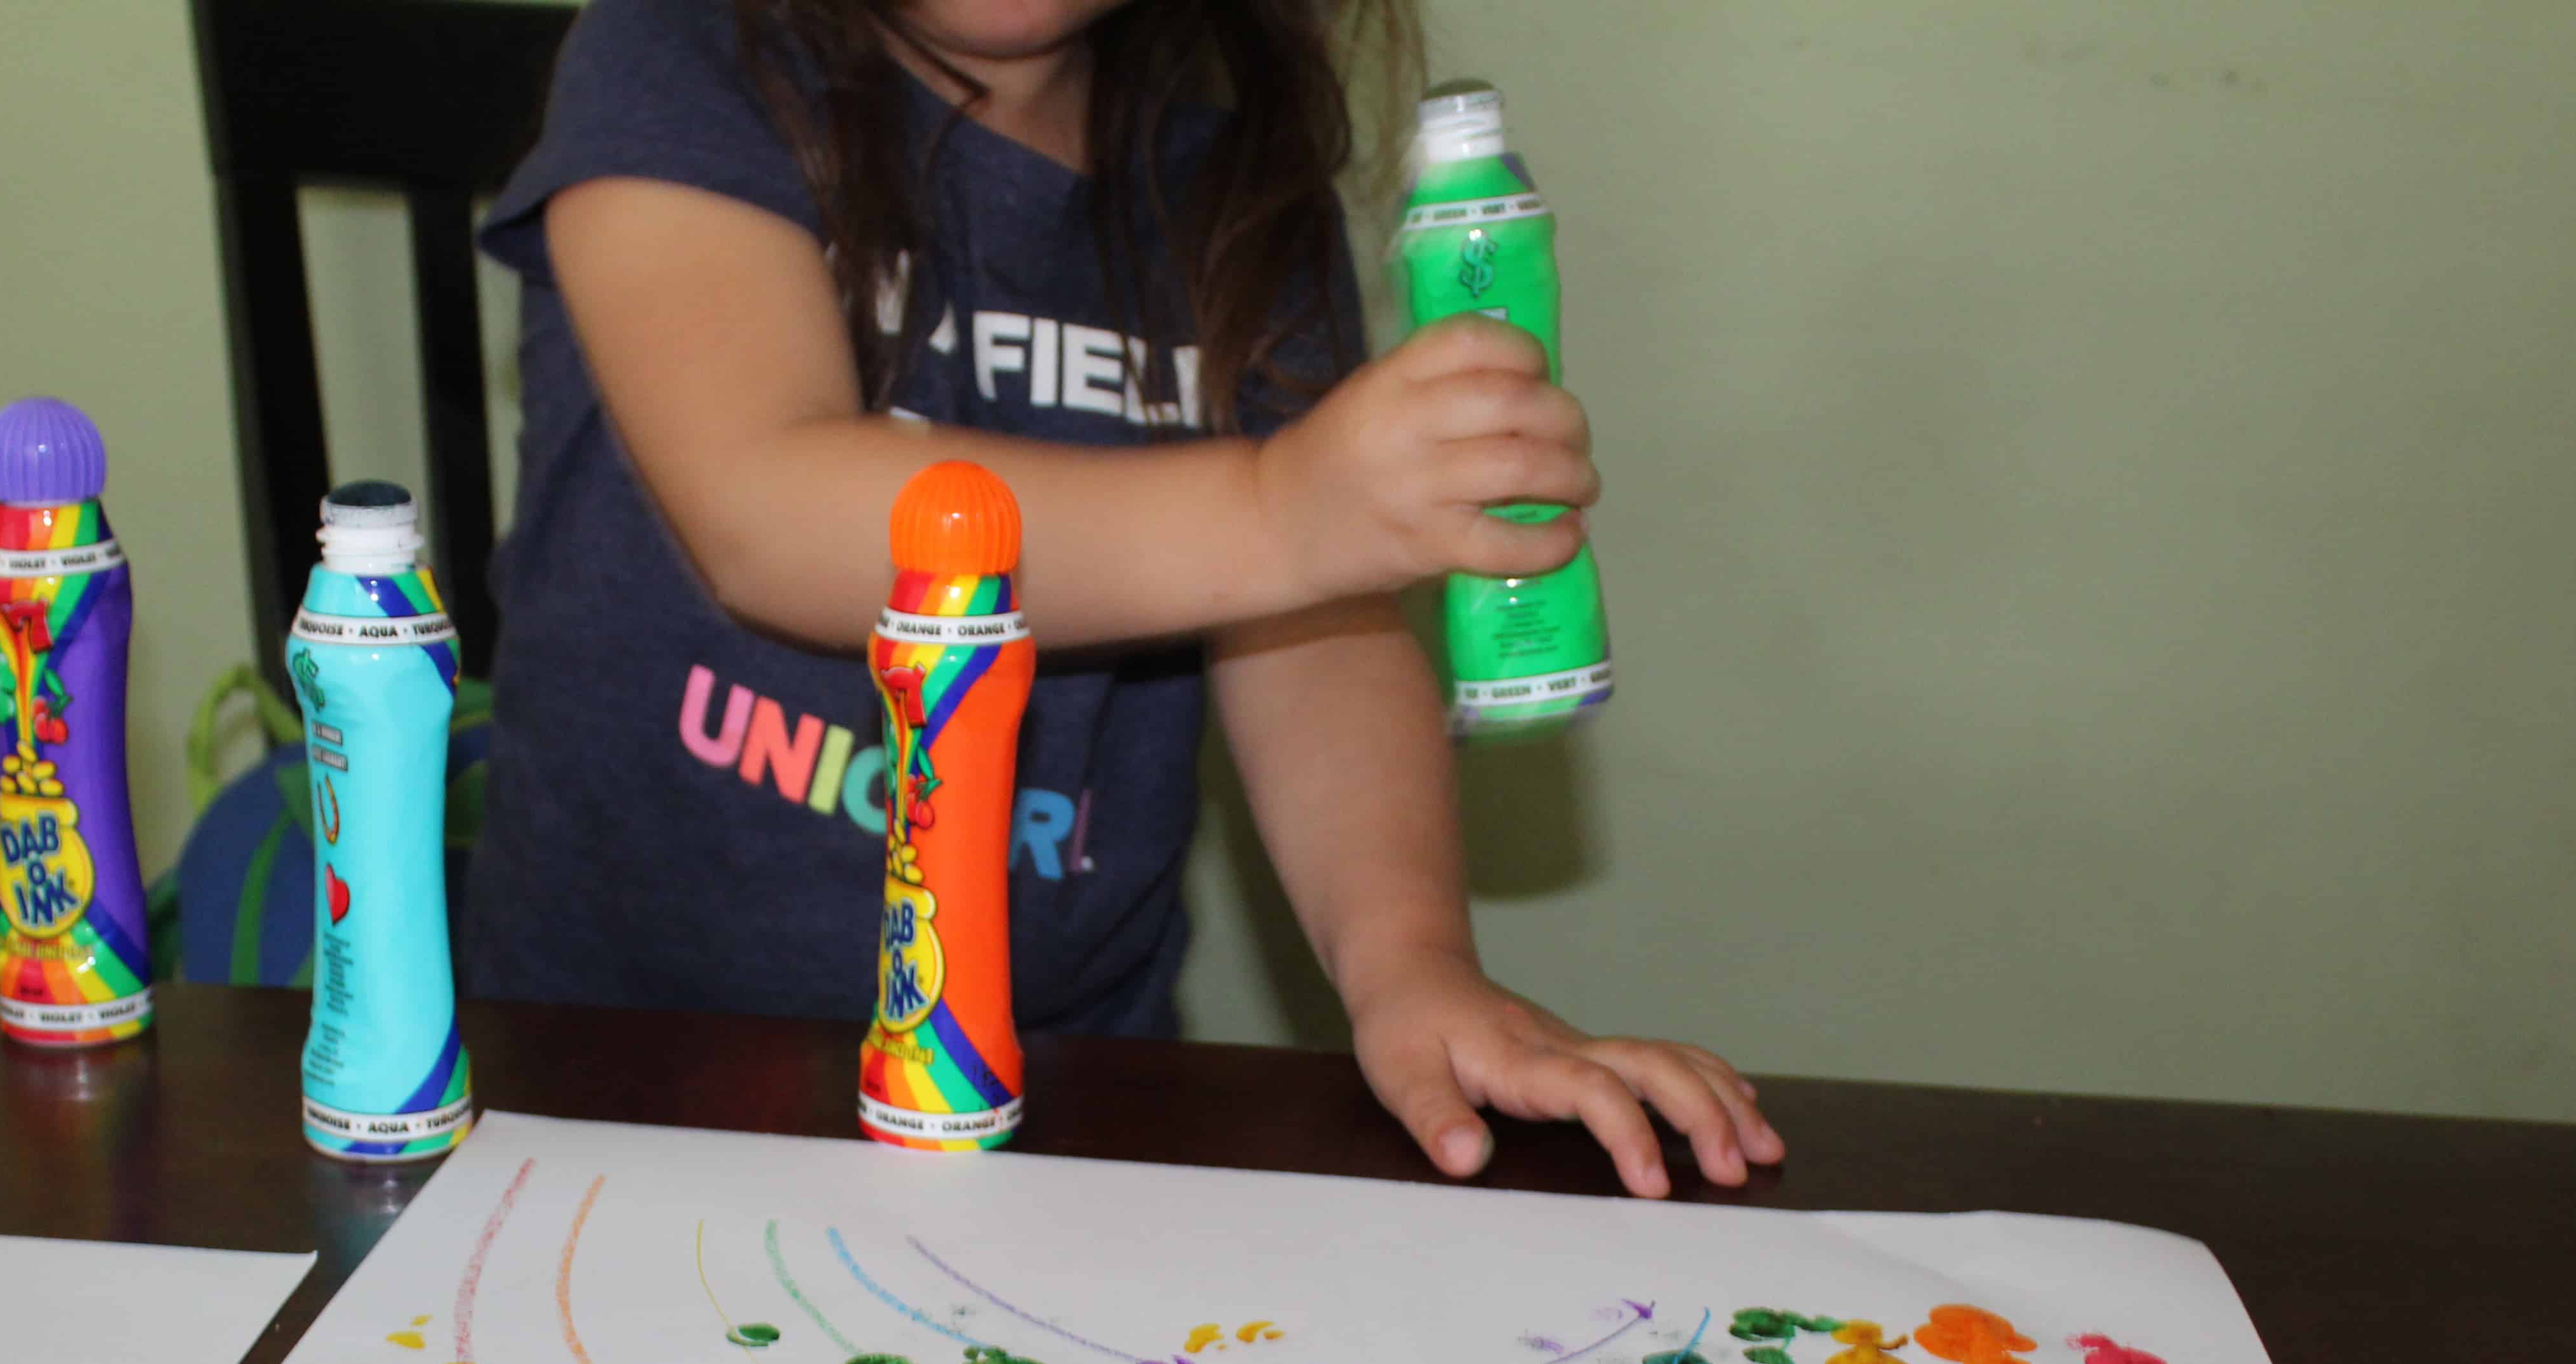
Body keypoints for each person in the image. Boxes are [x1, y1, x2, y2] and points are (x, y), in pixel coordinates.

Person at [472, 0, 1786, 1196]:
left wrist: (1411, 966)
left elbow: (1314, 638)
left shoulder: (1232, 193)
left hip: (1064, 1092)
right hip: (611, 1071)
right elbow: (767, 511)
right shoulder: (682, 56)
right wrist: (1282, 509)